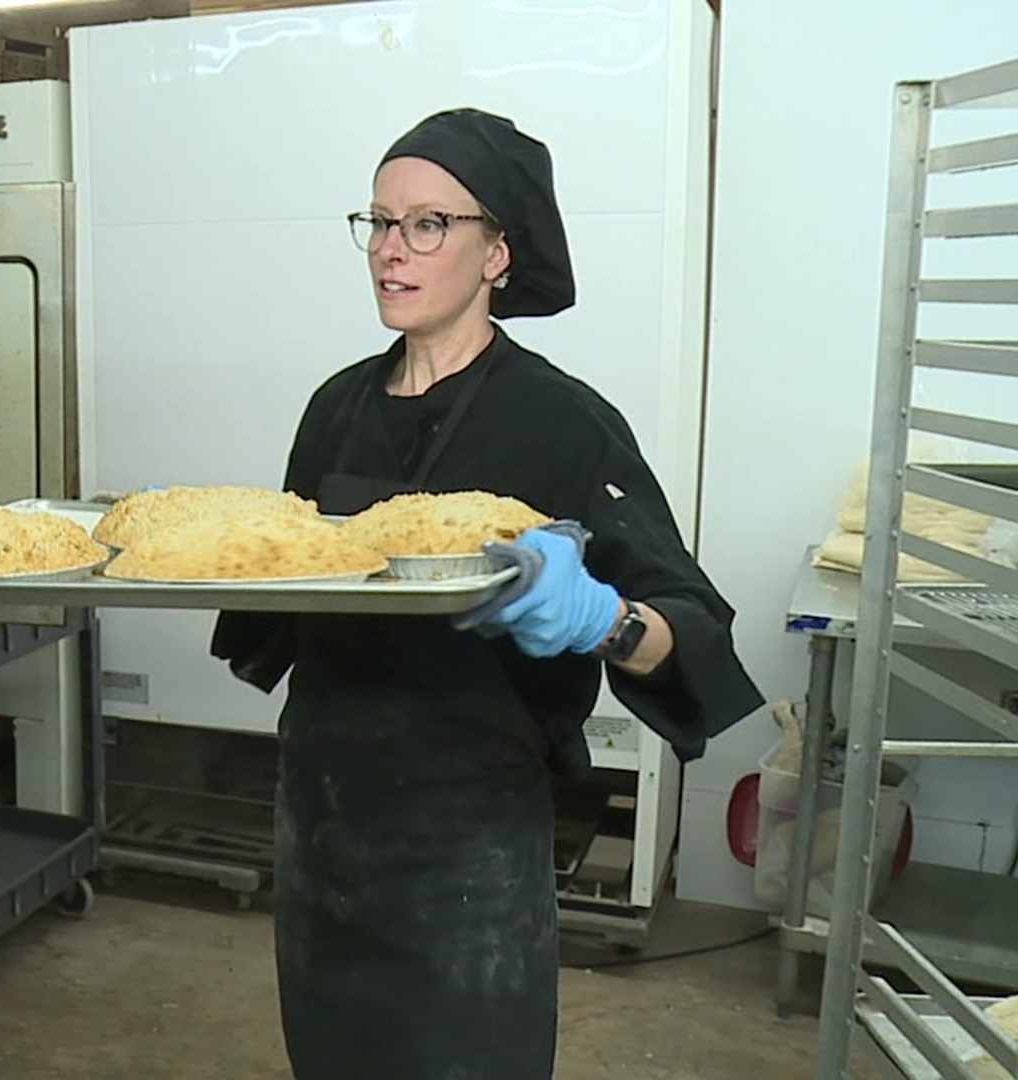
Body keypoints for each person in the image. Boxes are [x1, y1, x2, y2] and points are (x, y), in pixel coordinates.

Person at [209, 108, 764, 1079]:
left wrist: (603, 618)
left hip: (468, 835)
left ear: (498, 251)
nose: (391, 249)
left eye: (428, 224)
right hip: (323, 811)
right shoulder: (334, 407)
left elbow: (695, 632)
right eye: (379, 222)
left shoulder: (564, 422)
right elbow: (281, 586)